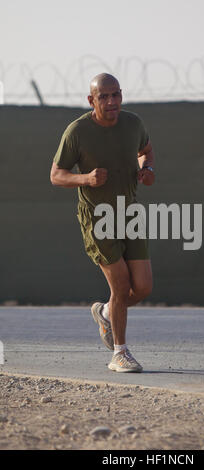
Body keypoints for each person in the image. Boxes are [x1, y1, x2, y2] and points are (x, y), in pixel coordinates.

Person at [50, 73, 155, 373]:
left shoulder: (133, 123)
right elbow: (56, 175)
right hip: (97, 218)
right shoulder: (78, 131)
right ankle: (120, 353)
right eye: (104, 96)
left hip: (130, 213)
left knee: (144, 287)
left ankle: (107, 311)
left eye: (116, 95)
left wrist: (146, 169)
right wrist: (86, 178)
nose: (111, 102)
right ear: (91, 100)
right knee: (121, 285)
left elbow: (146, 150)